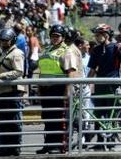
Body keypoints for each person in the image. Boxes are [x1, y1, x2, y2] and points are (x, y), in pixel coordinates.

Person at [87, 24, 121, 150]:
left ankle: (111, 142)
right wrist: (85, 83)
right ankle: (99, 143)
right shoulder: (96, 50)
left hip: (113, 85)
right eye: (96, 34)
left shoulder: (116, 47)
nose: (96, 37)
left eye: (99, 34)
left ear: (106, 35)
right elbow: (92, 69)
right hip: (100, 85)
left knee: (112, 114)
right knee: (98, 114)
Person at [36, 24, 78, 154]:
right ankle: (48, 144)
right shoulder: (47, 50)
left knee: (58, 119)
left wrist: (67, 91)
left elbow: (71, 72)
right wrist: (39, 87)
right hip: (46, 90)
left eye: (57, 36)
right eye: (53, 36)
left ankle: (58, 145)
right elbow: (42, 70)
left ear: (63, 37)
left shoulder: (66, 51)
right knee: (48, 118)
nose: (54, 38)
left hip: (59, 89)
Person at [0, 28, 25, 157]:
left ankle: (15, 147)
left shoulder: (16, 53)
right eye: (2, 40)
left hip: (12, 91)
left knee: (13, 121)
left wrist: (2, 76)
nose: (3, 42)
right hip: (2, 92)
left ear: (12, 40)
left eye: (6, 40)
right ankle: (4, 147)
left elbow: (19, 71)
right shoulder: (3, 53)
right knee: (2, 120)